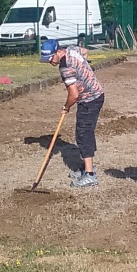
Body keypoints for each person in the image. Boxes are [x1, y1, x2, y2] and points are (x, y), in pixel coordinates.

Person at [41, 39, 105, 188]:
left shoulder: (65, 68)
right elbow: (85, 52)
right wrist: (84, 69)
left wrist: (66, 107)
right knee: (84, 132)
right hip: (96, 94)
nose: (50, 62)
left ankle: (90, 175)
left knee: (84, 133)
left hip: (90, 99)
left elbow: (74, 95)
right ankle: (86, 167)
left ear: (58, 52)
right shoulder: (71, 49)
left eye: (51, 58)